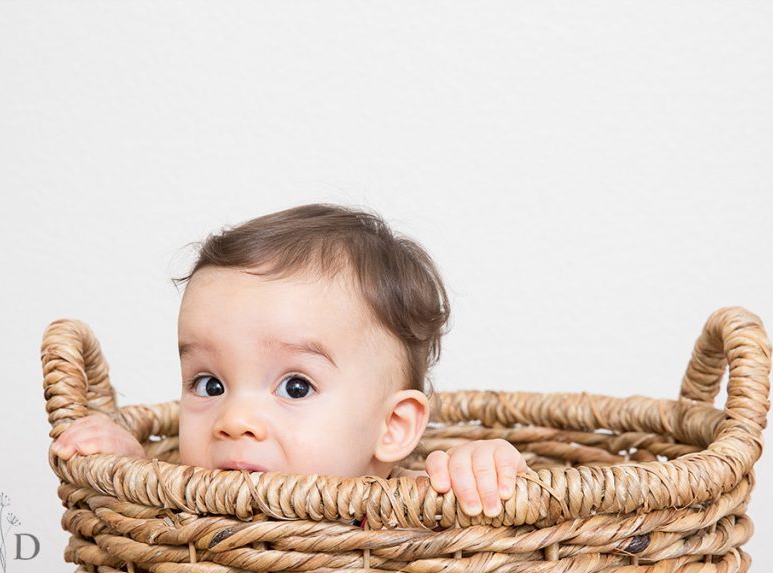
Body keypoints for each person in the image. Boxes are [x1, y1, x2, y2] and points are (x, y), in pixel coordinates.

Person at [51, 203, 528, 522]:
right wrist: (128, 470)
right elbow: (146, 526)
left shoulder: (416, 515)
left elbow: (495, 552)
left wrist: (485, 474)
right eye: (209, 385)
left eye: (295, 387)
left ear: (393, 427)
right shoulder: (190, 513)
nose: (234, 421)